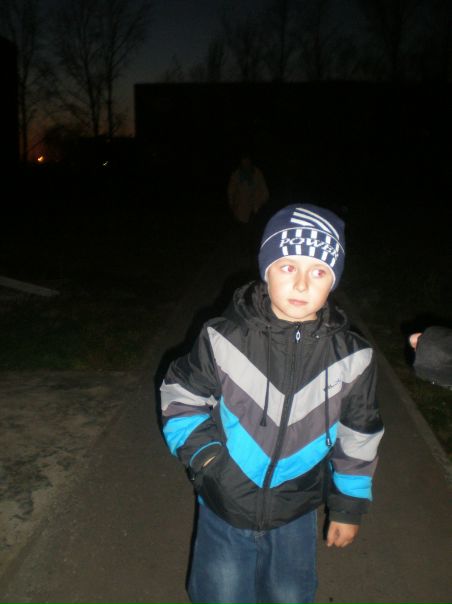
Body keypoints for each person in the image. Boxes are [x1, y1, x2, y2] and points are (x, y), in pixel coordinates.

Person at [160, 203, 384, 604]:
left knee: (290, 595)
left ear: (333, 280)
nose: (301, 284)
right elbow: (180, 397)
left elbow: (359, 434)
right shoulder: (223, 337)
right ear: (266, 270)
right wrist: (209, 462)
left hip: (296, 508)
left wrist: (348, 507)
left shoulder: (353, 357)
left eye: (318, 272)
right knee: (220, 595)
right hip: (225, 501)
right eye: (288, 267)